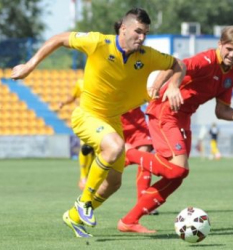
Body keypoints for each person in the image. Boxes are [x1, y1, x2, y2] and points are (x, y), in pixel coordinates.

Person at [11, 7, 186, 238]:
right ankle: (83, 202)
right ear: (123, 29)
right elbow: (60, 38)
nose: (142, 38)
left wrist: (173, 85)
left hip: (113, 121)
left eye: (145, 33)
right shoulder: (98, 42)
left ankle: (73, 217)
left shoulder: (147, 55)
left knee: (113, 183)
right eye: (138, 32)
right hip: (86, 115)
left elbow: (177, 63)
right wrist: (29, 66)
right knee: (114, 147)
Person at [120, 25, 233, 233]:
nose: (232, 55)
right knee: (179, 169)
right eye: (229, 49)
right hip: (165, 112)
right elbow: (179, 64)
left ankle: (129, 221)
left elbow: (221, 111)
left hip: (183, 119)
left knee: (176, 178)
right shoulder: (207, 60)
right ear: (220, 44)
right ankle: (129, 153)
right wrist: (172, 86)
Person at [58, 78, 94, 190]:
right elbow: (73, 97)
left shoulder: (103, 80)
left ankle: (90, 176)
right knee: (86, 147)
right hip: (85, 118)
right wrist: (63, 102)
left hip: (100, 117)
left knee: (96, 151)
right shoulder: (81, 82)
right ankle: (83, 177)